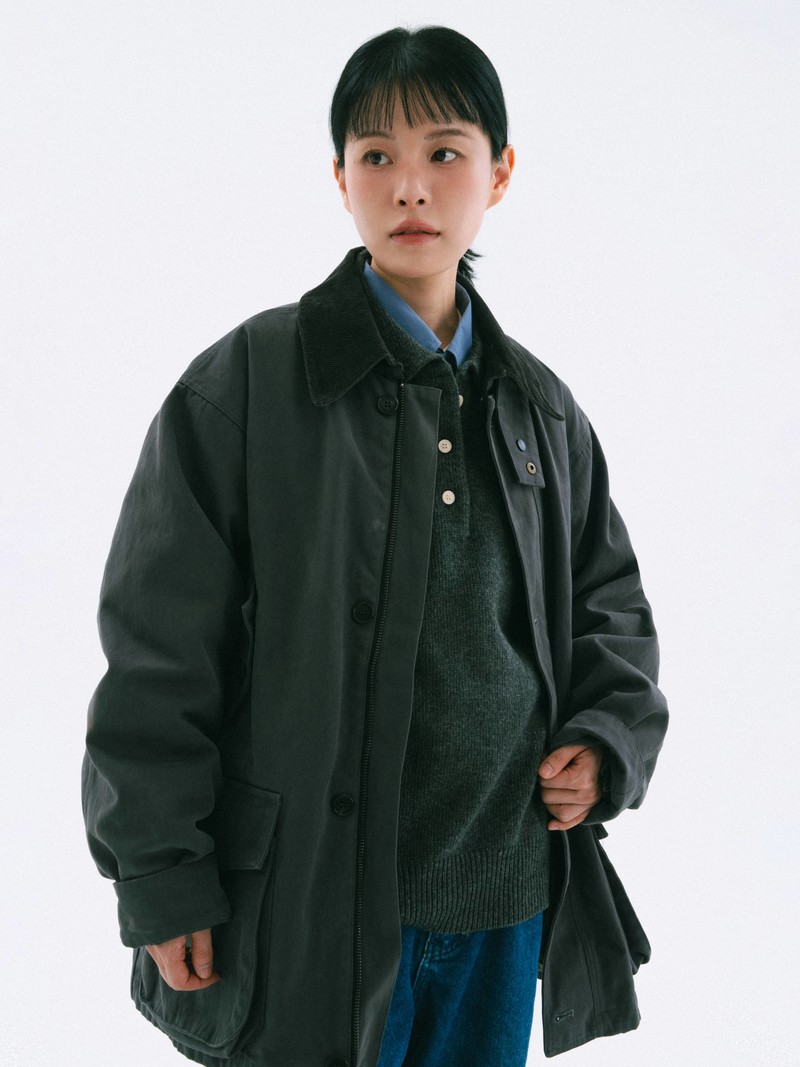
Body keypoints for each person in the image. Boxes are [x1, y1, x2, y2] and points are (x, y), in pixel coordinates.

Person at [82, 25, 668, 1067]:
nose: (410, 187)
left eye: (444, 152)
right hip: (315, 906)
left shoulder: (541, 410)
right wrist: (162, 874)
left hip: (503, 907)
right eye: (377, 156)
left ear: (500, 172)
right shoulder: (247, 387)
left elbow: (608, 608)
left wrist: (605, 741)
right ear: (340, 178)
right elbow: (158, 653)